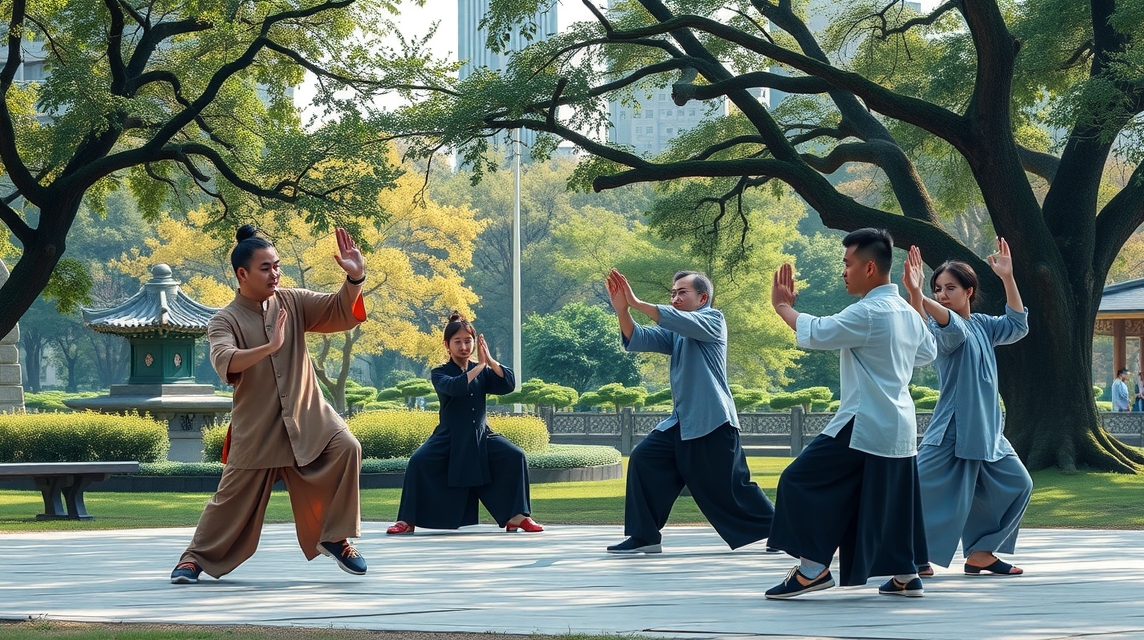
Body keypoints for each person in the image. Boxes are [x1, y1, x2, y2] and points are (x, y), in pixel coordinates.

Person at [171, 225, 369, 584]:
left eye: (277, 265)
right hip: (257, 430)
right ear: (242, 274)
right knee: (230, 502)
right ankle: (193, 559)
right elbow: (225, 359)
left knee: (347, 447)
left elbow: (338, 310)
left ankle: (336, 537)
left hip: (310, 421)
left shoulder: (293, 302)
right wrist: (269, 347)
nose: (275, 273)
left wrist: (355, 278)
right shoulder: (224, 320)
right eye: (266, 268)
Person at [766, 228, 936, 599]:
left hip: (866, 420)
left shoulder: (869, 311)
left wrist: (782, 307)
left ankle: (812, 570)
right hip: (900, 426)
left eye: (847, 264)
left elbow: (819, 332)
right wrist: (916, 296)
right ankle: (906, 575)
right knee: (888, 499)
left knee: (797, 480)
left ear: (869, 268)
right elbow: (927, 353)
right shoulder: (908, 313)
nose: (843, 272)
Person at [603, 268, 774, 554]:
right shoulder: (677, 332)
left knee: (730, 489)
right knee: (645, 459)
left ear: (702, 298)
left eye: (682, 292)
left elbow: (672, 319)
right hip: (681, 423)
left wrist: (637, 302)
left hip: (712, 421)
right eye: (672, 293)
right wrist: (623, 310)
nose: (675, 298)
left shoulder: (714, 320)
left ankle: (785, 529)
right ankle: (645, 536)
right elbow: (640, 337)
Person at [903, 239, 1032, 577]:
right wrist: (917, 295)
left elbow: (1018, 325)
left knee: (1020, 484)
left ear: (969, 291)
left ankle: (981, 554)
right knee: (914, 491)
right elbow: (949, 326)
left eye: (950, 288)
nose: (943, 294)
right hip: (952, 431)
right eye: (937, 288)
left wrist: (1008, 278)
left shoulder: (984, 325)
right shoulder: (941, 331)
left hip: (989, 434)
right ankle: (907, 554)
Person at [386, 314, 542, 535]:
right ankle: (406, 521)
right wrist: (480, 366)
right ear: (447, 345)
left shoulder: (484, 371)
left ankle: (518, 517)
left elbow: (508, 383)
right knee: (418, 462)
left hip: (482, 435)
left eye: (468, 341)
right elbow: (456, 387)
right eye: (457, 341)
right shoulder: (439, 372)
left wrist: (489, 360)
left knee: (515, 456)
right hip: (449, 435)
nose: (464, 346)